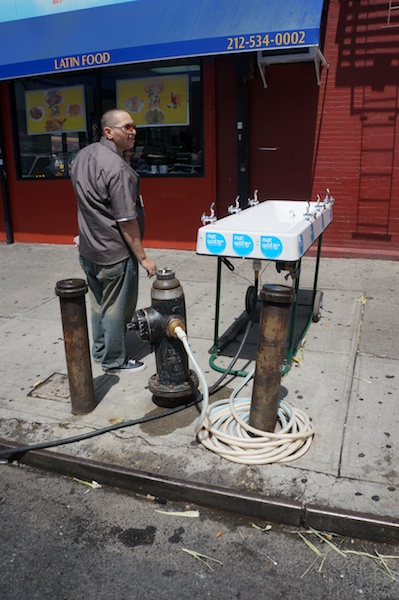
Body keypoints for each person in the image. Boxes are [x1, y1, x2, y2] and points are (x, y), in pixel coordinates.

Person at [70, 109, 157, 373]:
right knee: (116, 310)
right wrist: (143, 257)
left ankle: (100, 351)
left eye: (134, 126)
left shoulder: (82, 156)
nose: (133, 131)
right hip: (114, 253)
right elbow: (126, 220)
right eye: (126, 127)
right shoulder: (118, 169)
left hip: (89, 248)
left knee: (99, 305)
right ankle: (114, 361)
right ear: (108, 131)